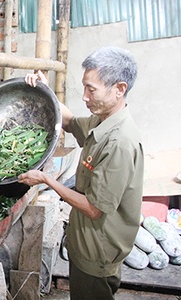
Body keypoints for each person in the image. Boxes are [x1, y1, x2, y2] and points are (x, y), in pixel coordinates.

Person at [18, 47, 144, 299]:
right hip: (86, 242)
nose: (85, 97)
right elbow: (70, 121)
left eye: (91, 89)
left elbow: (94, 208)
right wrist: (46, 92)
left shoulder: (119, 142)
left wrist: (45, 179)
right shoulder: (103, 121)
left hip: (97, 251)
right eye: (84, 87)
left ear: (119, 89)